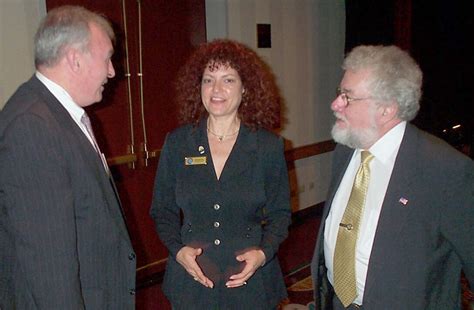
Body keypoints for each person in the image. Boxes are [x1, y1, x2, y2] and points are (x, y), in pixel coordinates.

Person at [311, 44, 474, 309]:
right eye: (339, 93)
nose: (335, 104)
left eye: (348, 97)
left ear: (387, 108)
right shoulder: (345, 151)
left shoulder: (445, 170)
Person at [0, 6, 136, 309]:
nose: (113, 71)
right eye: (107, 59)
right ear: (75, 59)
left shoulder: (59, 114)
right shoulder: (32, 127)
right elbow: (48, 263)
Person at [150, 39, 291, 309]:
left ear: (245, 88)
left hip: (248, 282)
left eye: (228, 80)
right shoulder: (179, 143)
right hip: (192, 281)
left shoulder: (267, 146)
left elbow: (280, 214)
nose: (216, 89)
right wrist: (178, 251)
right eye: (208, 80)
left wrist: (263, 253)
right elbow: (162, 209)